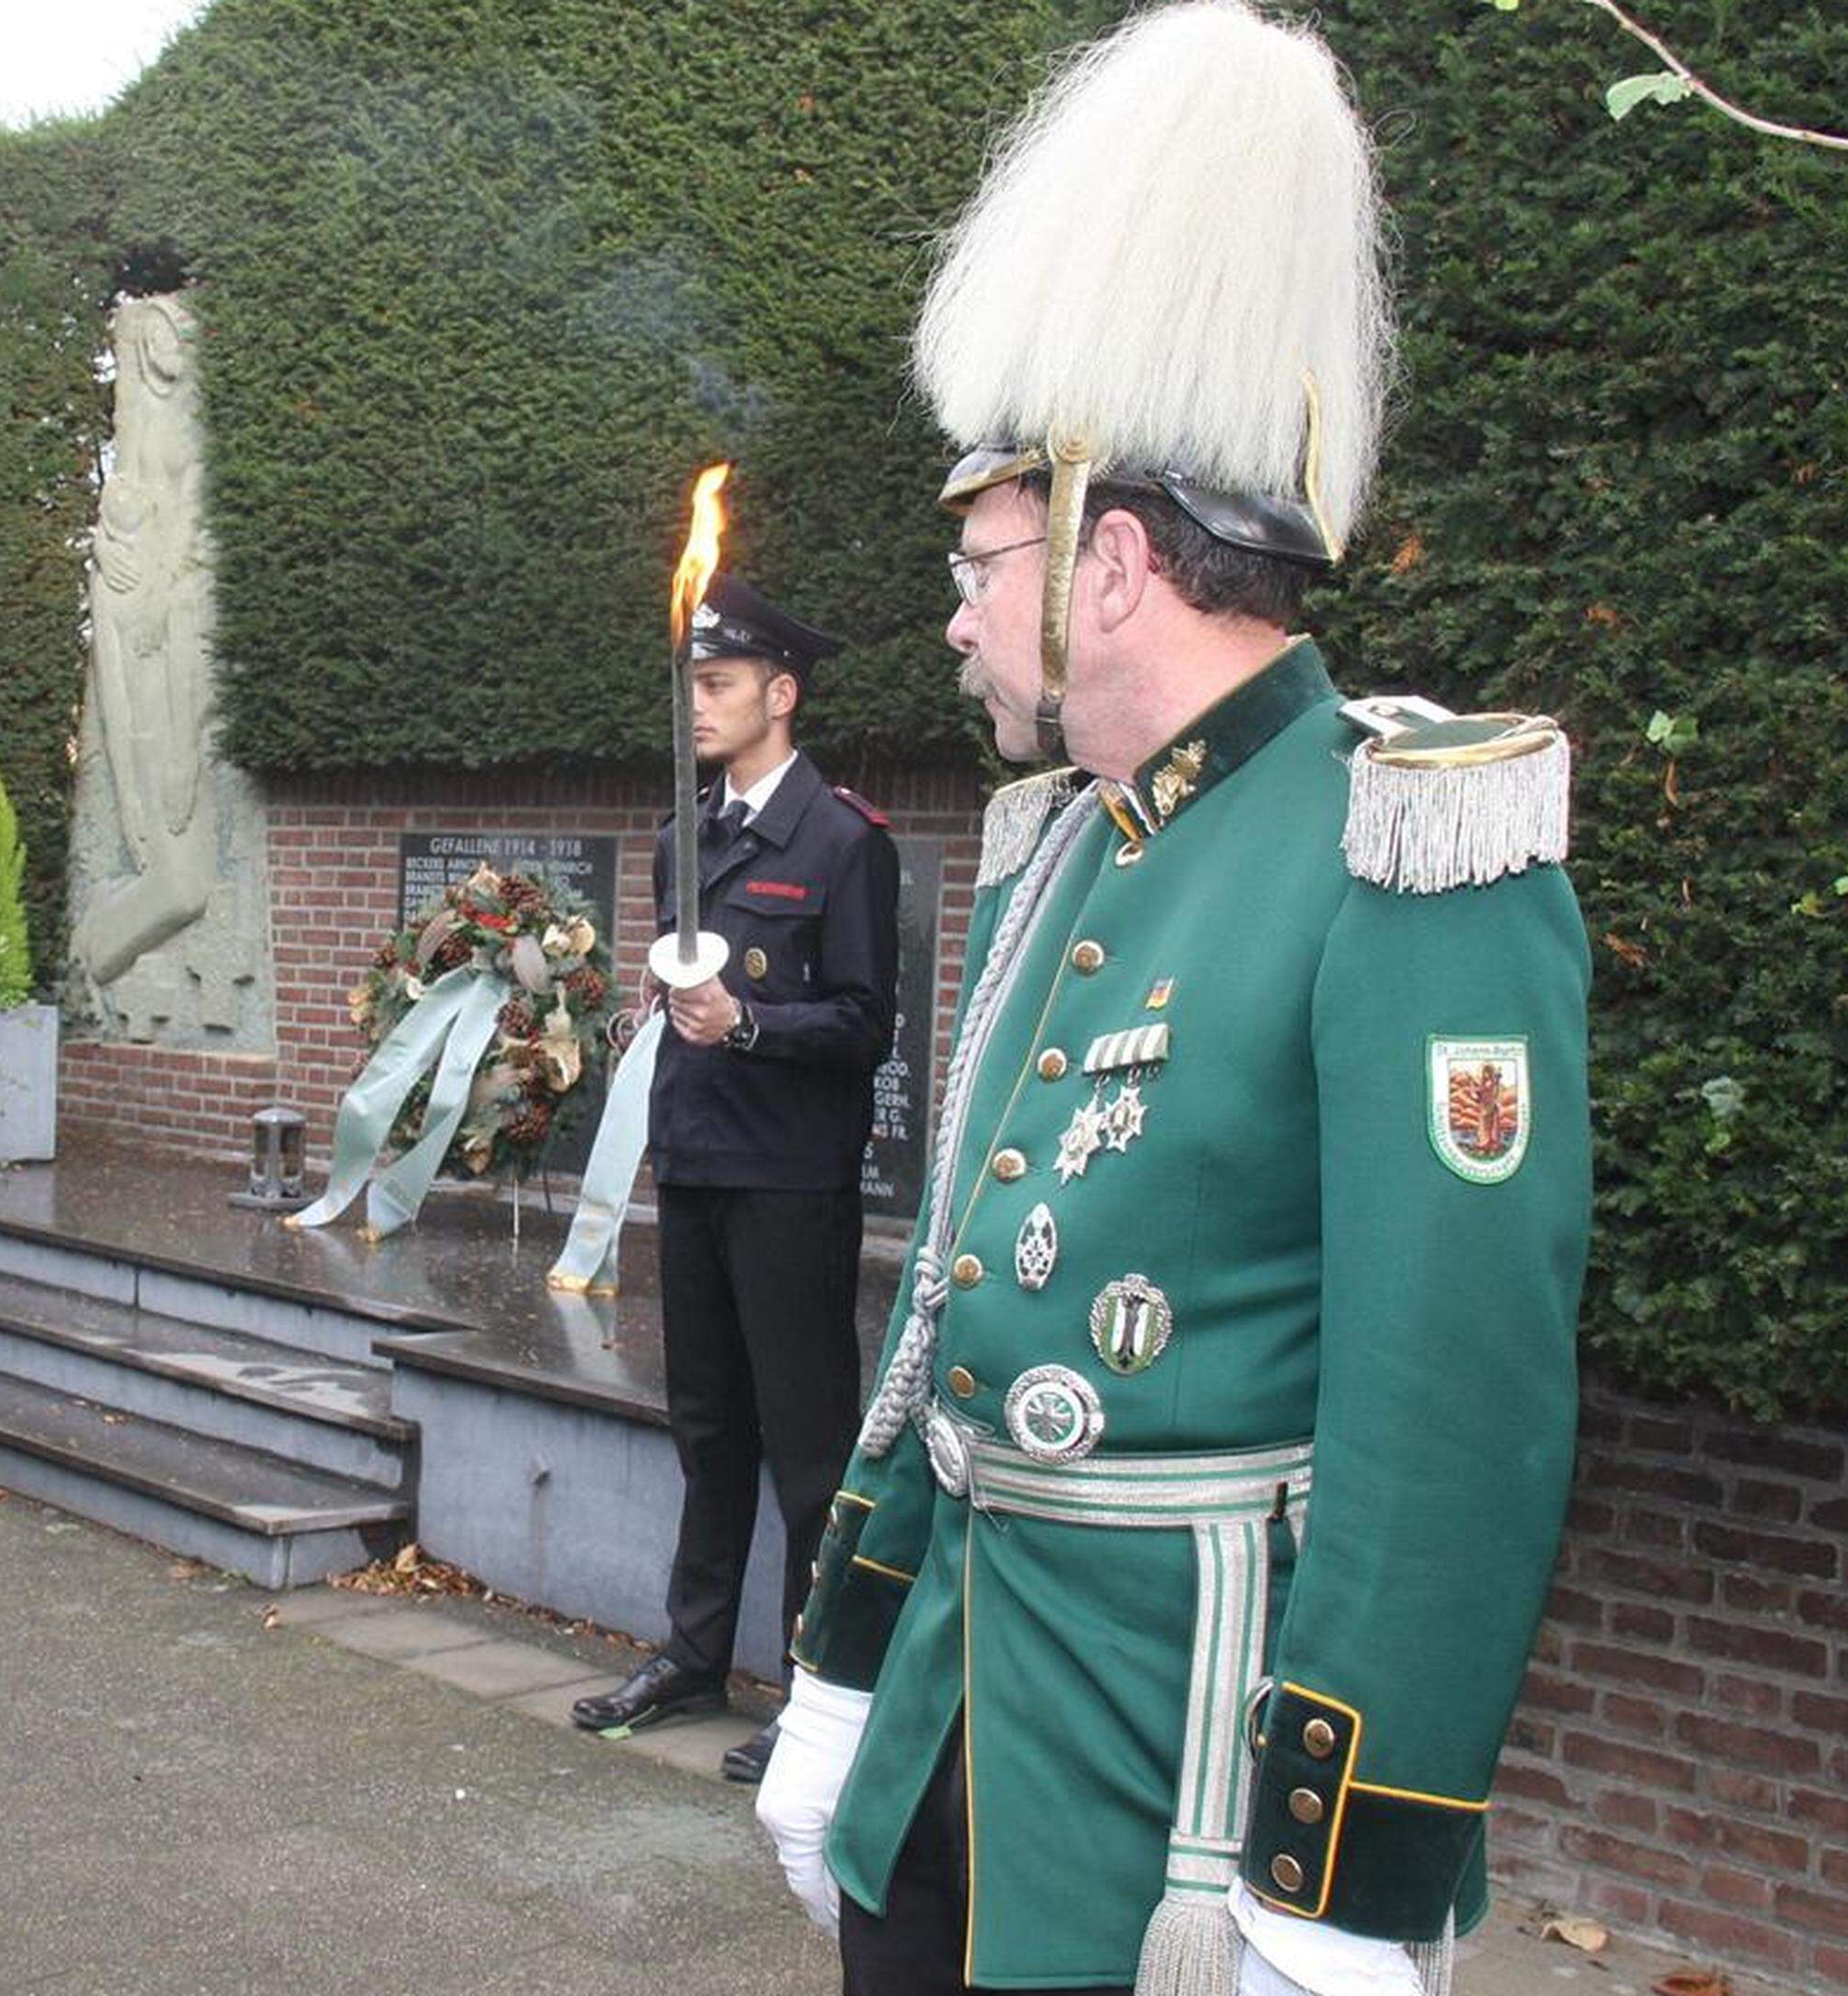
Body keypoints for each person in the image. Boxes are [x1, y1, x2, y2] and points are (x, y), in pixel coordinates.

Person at [751, 8, 1590, 1995]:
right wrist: (846, 1679)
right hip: (959, 1709)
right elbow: (946, 1323)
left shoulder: (1408, 842)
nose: (955, 615)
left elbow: (1452, 1410)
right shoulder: (1073, 843)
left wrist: (1345, 1875)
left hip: (1187, 1787)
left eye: (984, 560)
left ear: (1110, 563)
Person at [568, 573, 897, 1788]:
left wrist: (746, 1024)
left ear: (781, 694)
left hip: (791, 1182)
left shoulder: (843, 842)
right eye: (688, 685)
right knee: (708, 1431)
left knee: (809, 1448)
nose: (694, 705)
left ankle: (818, 1695)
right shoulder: (680, 837)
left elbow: (865, 1025)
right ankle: (696, 1655)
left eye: (716, 685)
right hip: (698, 1166)